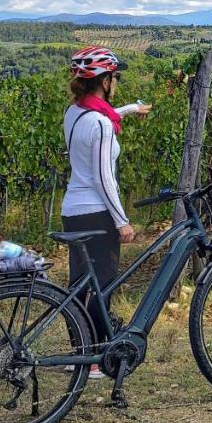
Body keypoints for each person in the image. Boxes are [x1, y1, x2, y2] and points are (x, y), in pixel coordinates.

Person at [62, 46, 152, 377]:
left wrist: (130, 109)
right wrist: (122, 221)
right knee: (101, 287)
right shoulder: (99, 124)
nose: (117, 82)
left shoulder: (75, 112)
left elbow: (105, 114)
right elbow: (104, 177)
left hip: (73, 209)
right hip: (97, 212)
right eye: (115, 77)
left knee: (79, 286)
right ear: (104, 81)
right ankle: (97, 359)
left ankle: (79, 353)